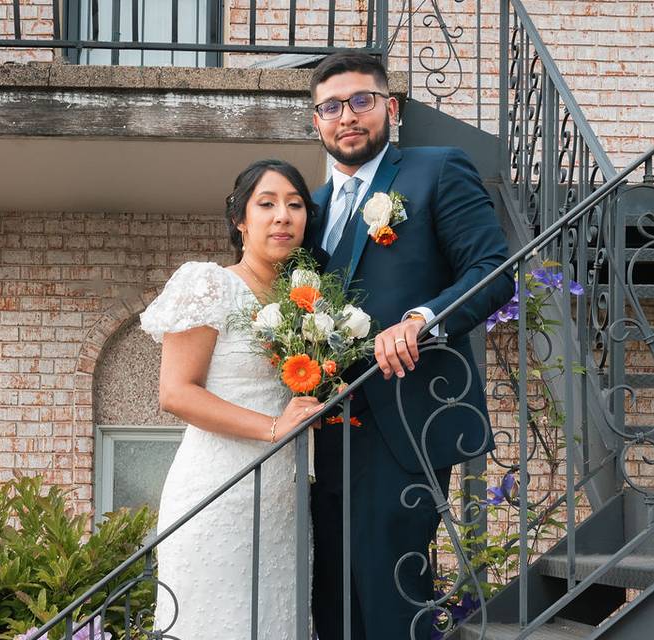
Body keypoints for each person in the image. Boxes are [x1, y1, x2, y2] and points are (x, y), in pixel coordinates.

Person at [305, 52, 514, 640]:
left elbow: (495, 269)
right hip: (325, 427)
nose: (346, 115)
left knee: (393, 597)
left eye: (361, 100)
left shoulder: (436, 169)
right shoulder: (310, 208)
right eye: (330, 106)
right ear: (315, 122)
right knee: (334, 603)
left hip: (408, 417)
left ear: (390, 108)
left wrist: (423, 319)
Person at [140, 159, 324, 639]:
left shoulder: (305, 303)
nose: (282, 216)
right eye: (266, 204)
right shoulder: (209, 284)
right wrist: (273, 428)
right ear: (240, 220)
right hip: (218, 493)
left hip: (284, 500)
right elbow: (176, 393)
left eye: (295, 204)